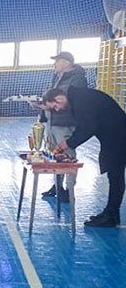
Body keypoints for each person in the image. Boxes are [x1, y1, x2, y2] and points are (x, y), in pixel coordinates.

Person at [45, 87, 126, 227]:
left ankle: (111, 216)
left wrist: (68, 143)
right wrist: (70, 141)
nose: (57, 110)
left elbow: (88, 127)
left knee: (115, 176)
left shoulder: (81, 99)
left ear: (59, 98)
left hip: (118, 136)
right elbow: (84, 125)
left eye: (55, 106)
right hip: (114, 136)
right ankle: (112, 214)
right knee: (115, 176)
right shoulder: (78, 98)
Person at [41, 51, 88, 199]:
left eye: (58, 61)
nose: (55, 64)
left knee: (68, 156)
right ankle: (57, 186)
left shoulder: (78, 79)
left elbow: (75, 102)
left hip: (65, 123)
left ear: (67, 62)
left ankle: (69, 190)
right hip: (52, 122)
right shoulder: (57, 77)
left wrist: (55, 104)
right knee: (54, 156)